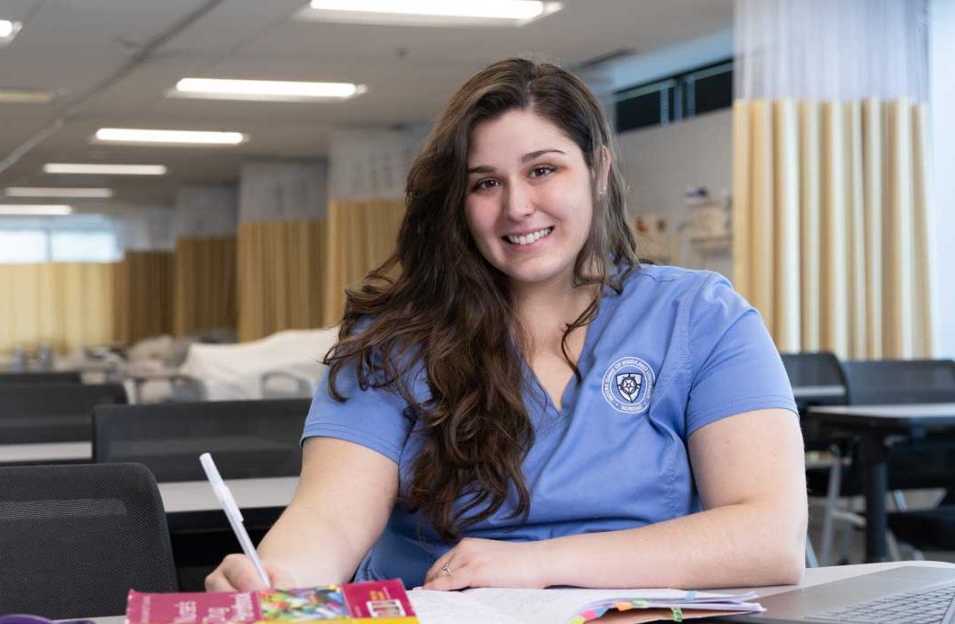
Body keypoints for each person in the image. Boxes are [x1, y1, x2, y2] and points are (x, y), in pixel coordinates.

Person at [206, 58, 807, 594]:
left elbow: (769, 536)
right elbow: (331, 518)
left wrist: (539, 563)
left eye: (543, 170)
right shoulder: (395, 342)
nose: (517, 205)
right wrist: (276, 578)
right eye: (486, 183)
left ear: (597, 170)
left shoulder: (700, 316)